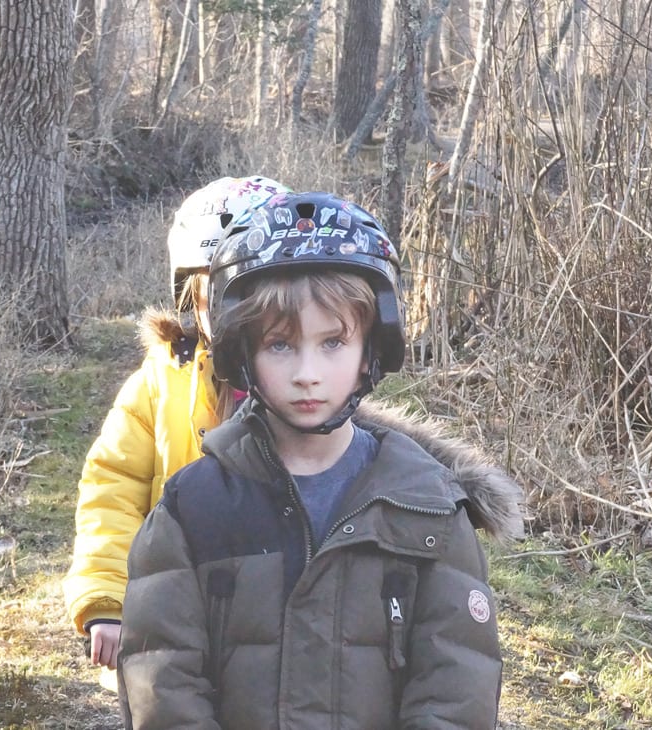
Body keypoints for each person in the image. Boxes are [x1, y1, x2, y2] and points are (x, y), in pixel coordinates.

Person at [117, 191, 524, 728]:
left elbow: (455, 690)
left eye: (333, 342)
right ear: (243, 352)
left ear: (372, 347)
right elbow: (162, 681)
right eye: (280, 345)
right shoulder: (192, 509)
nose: (307, 372)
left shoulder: (429, 512)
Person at [62, 175, 292, 687]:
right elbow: (111, 490)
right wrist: (107, 599)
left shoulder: (307, 387)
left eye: (254, 290)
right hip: (174, 606)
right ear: (194, 295)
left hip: (282, 621)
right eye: (222, 292)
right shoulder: (161, 381)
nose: (239, 312)